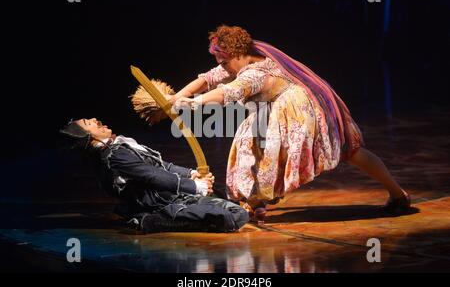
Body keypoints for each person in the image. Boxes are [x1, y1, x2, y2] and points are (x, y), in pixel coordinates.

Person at [170, 25, 411, 219]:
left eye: (223, 61)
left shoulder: (256, 72)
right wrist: (176, 97)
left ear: (236, 54)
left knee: (343, 150)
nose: (220, 66)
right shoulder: (247, 57)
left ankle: (255, 201)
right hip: (286, 107)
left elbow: (226, 93)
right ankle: (256, 201)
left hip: (297, 110)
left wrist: (194, 104)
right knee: (250, 143)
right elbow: (208, 80)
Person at [59, 117, 249, 233]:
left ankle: (192, 216)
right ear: (88, 137)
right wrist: (195, 186)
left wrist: (190, 174)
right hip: (162, 203)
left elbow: (160, 165)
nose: (95, 120)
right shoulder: (113, 155)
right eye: (88, 123)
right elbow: (152, 175)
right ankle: (154, 221)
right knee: (236, 215)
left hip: (171, 195)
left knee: (219, 196)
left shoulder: (118, 146)